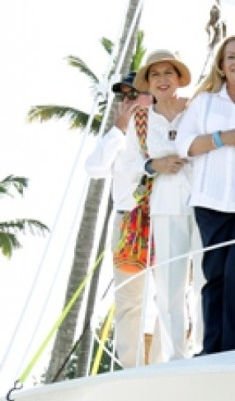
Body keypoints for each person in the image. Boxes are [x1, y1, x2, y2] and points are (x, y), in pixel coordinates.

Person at [176, 35, 235, 354]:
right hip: (209, 202)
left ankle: (233, 350)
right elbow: (185, 145)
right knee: (213, 277)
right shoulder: (205, 101)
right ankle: (211, 350)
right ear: (222, 65)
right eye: (231, 57)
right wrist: (220, 138)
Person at [117, 50, 201, 360]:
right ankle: (174, 356)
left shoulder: (196, 109)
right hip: (164, 204)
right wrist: (155, 165)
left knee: (204, 279)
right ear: (148, 83)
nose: (162, 80)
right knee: (169, 284)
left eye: (169, 73)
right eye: (155, 75)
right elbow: (129, 163)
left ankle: (204, 350)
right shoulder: (140, 119)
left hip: (204, 200)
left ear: (179, 78)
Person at [84, 72, 161, 366]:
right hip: (127, 221)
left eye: (135, 93)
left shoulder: (168, 123)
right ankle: (131, 366)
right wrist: (118, 127)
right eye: (124, 96)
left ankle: (163, 364)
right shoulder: (119, 135)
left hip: (164, 218)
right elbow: (94, 168)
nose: (128, 100)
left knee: (170, 295)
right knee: (130, 301)